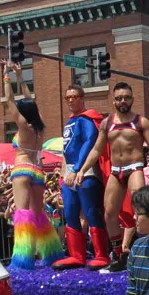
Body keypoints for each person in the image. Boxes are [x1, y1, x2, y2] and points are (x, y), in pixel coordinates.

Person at [77, 81, 149, 272]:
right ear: (113, 100)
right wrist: (82, 169)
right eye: (119, 98)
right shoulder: (107, 123)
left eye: (127, 98)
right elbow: (96, 150)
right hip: (116, 170)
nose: (123, 101)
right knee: (109, 213)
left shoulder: (141, 121)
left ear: (132, 99)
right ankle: (120, 255)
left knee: (141, 210)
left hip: (135, 167)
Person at [3, 60, 64, 268]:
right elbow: (31, 101)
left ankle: (23, 260)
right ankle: (52, 254)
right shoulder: (39, 127)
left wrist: (6, 75)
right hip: (38, 171)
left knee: (23, 214)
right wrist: (21, 77)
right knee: (39, 215)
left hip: (22, 169)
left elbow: (9, 100)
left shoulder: (23, 126)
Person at [56, 85, 110, 270]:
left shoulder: (87, 118)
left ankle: (101, 254)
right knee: (70, 213)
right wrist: (64, 173)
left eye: (74, 97)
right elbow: (66, 150)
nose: (71, 100)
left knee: (91, 212)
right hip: (69, 172)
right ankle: (76, 255)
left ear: (82, 98)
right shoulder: (71, 121)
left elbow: (90, 142)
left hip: (86, 171)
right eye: (68, 98)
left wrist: (78, 168)